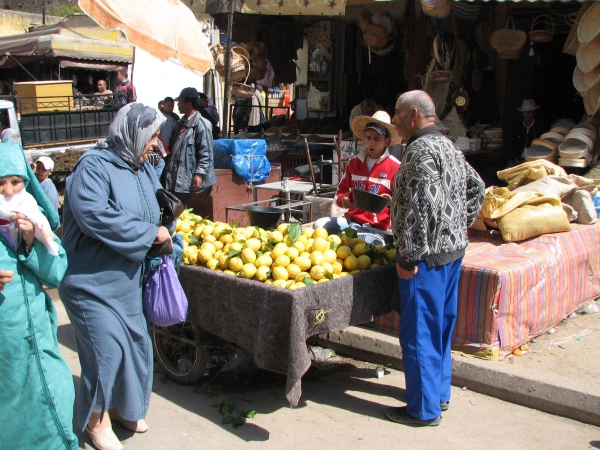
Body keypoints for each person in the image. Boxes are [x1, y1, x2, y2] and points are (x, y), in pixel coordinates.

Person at [58, 103, 169, 450]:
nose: (155, 142)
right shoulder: (93, 166)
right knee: (105, 353)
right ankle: (94, 422)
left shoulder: (141, 167)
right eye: (151, 135)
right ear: (131, 133)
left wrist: (169, 223)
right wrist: (148, 234)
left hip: (127, 280)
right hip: (90, 282)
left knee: (134, 350)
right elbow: (94, 213)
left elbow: (157, 206)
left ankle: (122, 409)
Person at [387, 90, 484, 427]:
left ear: (413, 115)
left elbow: (416, 209)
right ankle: (438, 394)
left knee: (420, 333)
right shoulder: (448, 146)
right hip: (452, 252)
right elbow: (477, 186)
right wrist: (457, 225)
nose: (394, 120)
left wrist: (408, 256)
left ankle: (423, 410)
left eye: (397, 114)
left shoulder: (418, 151)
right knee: (440, 327)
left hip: (425, 259)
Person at [0, 143, 78, 450]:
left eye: (15, 181)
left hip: (39, 339)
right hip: (6, 349)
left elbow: (57, 273)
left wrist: (31, 241)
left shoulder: (35, 219)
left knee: (55, 396)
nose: (7, 191)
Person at [313, 111, 401, 235]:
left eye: (377, 139)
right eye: (369, 138)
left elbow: (403, 204)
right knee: (319, 225)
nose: (371, 143)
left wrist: (391, 202)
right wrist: (343, 201)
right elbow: (339, 194)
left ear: (386, 142)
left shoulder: (396, 167)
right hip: (351, 221)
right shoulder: (354, 163)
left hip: (378, 229)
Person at [163, 87, 216, 207]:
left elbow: (206, 153)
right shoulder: (179, 123)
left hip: (190, 179)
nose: (178, 105)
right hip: (177, 179)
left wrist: (200, 174)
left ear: (189, 104)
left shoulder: (202, 125)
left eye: (180, 102)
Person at [508, 99, 546, 165]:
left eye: (530, 112)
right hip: (518, 158)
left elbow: (540, 147)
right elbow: (512, 145)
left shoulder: (539, 127)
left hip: (533, 159)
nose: (527, 114)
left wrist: (528, 159)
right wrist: (515, 158)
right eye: (525, 112)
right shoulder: (518, 127)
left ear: (534, 112)